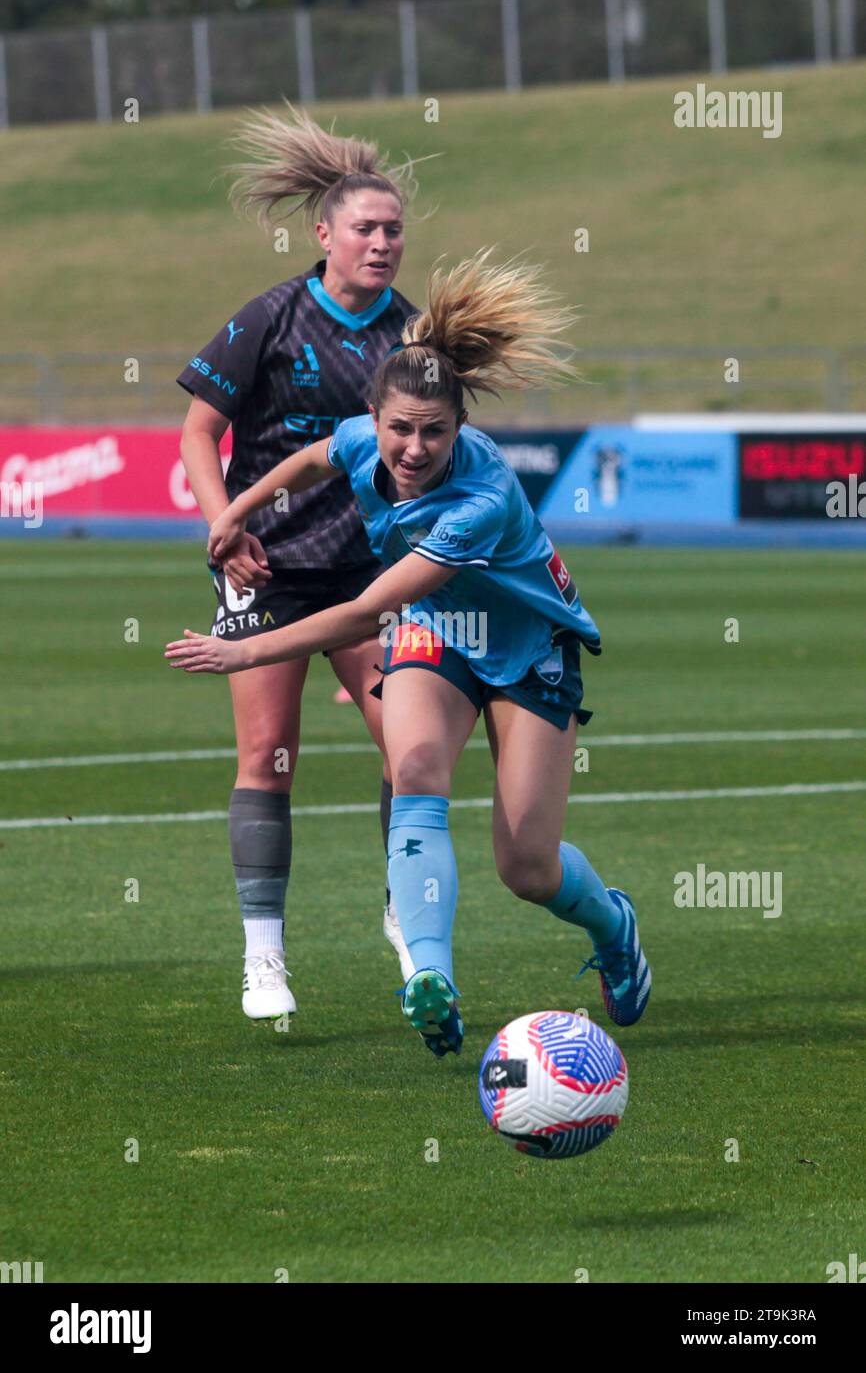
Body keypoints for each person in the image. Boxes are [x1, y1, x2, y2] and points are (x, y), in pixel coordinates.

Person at [166, 253, 652, 1057]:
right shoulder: (364, 438)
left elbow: (362, 611)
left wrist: (241, 652)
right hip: (435, 635)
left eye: (435, 432)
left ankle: (613, 923)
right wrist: (239, 510)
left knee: (527, 867)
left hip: (527, 651)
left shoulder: (482, 500)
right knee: (415, 768)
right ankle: (430, 978)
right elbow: (317, 454)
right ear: (376, 416)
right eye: (400, 429)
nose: (415, 448)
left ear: (461, 430)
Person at [176, 105, 422, 1023]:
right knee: (267, 758)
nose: (384, 242)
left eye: (395, 229)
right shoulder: (271, 318)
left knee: (414, 749)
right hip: (266, 568)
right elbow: (201, 428)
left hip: (371, 576)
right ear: (324, 235)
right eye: (367, 227)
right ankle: (264, 959)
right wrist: (220, 526)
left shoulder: (414, 336)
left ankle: (407, 917)